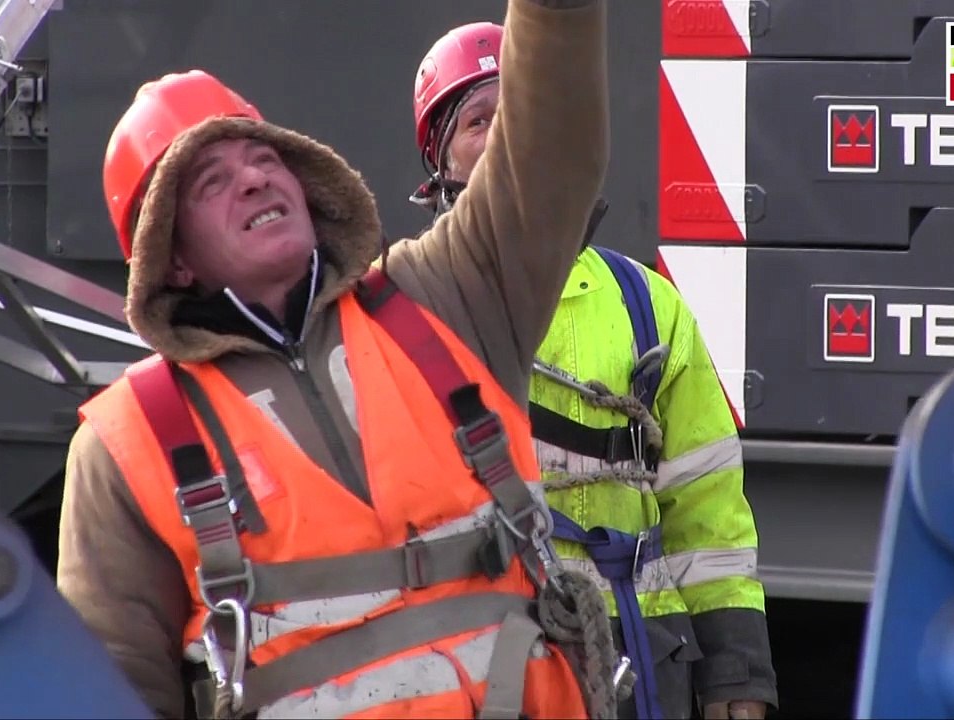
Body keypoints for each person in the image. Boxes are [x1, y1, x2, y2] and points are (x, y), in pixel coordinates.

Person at [54, 1, 615, 718]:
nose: (256, 178)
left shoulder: (444, 298)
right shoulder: (126, 447)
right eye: (212, 182)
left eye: (264, 158)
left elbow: (550, 156)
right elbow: (112, 689)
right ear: (176, 258)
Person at [409, 21, 778, 720]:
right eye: (477, 121)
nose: (501, 138)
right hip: (482, 663)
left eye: (517, 113)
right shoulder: (404, 309)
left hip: (640, 660)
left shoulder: (649, 306)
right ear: (440, 163)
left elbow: (711, 517)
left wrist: (738, 674)